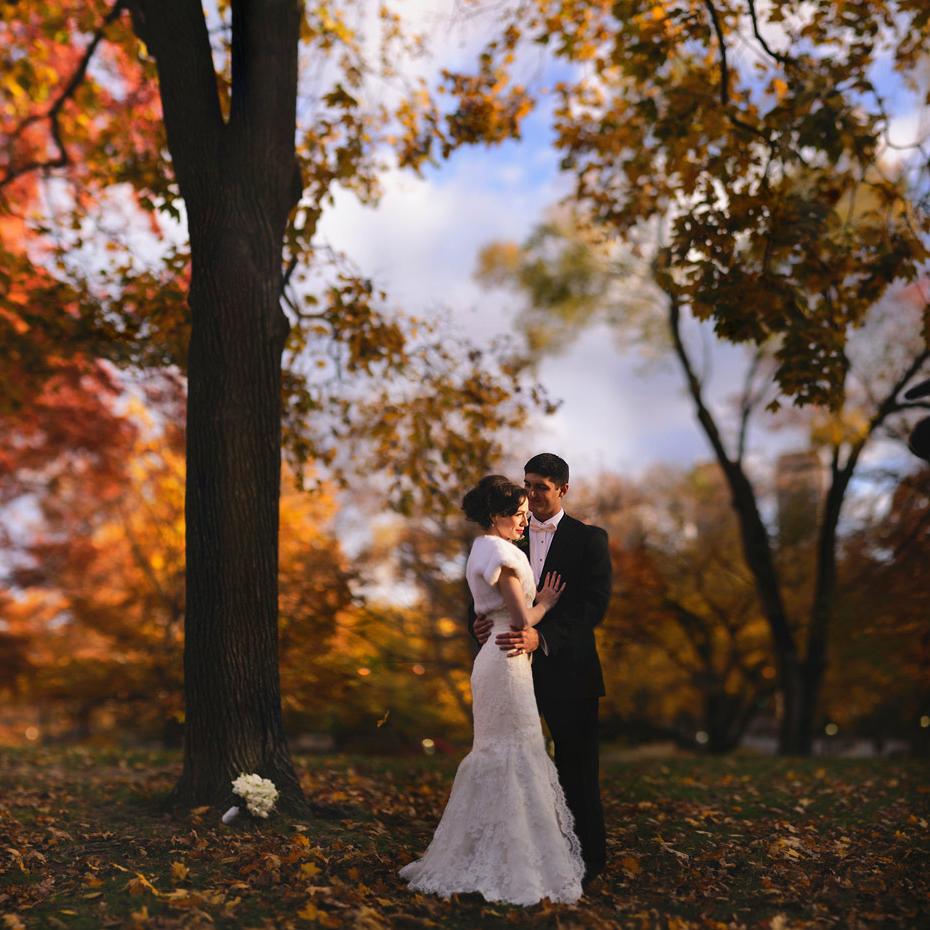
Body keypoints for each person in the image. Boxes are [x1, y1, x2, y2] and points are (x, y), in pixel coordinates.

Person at [399, 475, 585, 905]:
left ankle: (492, 852)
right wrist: (549, 602)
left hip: (496, 658)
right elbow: (522, 620)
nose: (524, 522)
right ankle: (509, 861)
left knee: (500, 752)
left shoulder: (482, 549)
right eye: (519, 515)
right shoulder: (501, 553)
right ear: (497, 514)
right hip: (506, 658)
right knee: (514, 752)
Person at [471, 453, 612, 888]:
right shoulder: (507, 529)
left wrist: (543, 638)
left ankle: (587, 862)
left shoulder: (590, 539)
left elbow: (593, 605)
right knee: (517, 764)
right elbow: (482, 589)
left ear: (562, 490)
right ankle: (523, 856)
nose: (530, 494)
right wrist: (478, 624)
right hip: (512, 670)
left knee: (576, 767)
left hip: (569, 671)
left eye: (540, 487)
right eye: (527, 484)